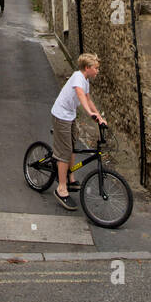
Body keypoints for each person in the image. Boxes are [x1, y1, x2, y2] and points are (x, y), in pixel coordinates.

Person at [50, 53, 105, 210]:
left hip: (70, 115)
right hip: (61, 115)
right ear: (87, 68)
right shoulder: (77, 77)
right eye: (96, 68)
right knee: (64, 152)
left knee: (72, 145)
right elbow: (80, 95)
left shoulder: (85, 80)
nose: (97, 71)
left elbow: (87, 99)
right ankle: (61, 189)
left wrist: (99, 116)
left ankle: (70, 178)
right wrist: (90, 113)